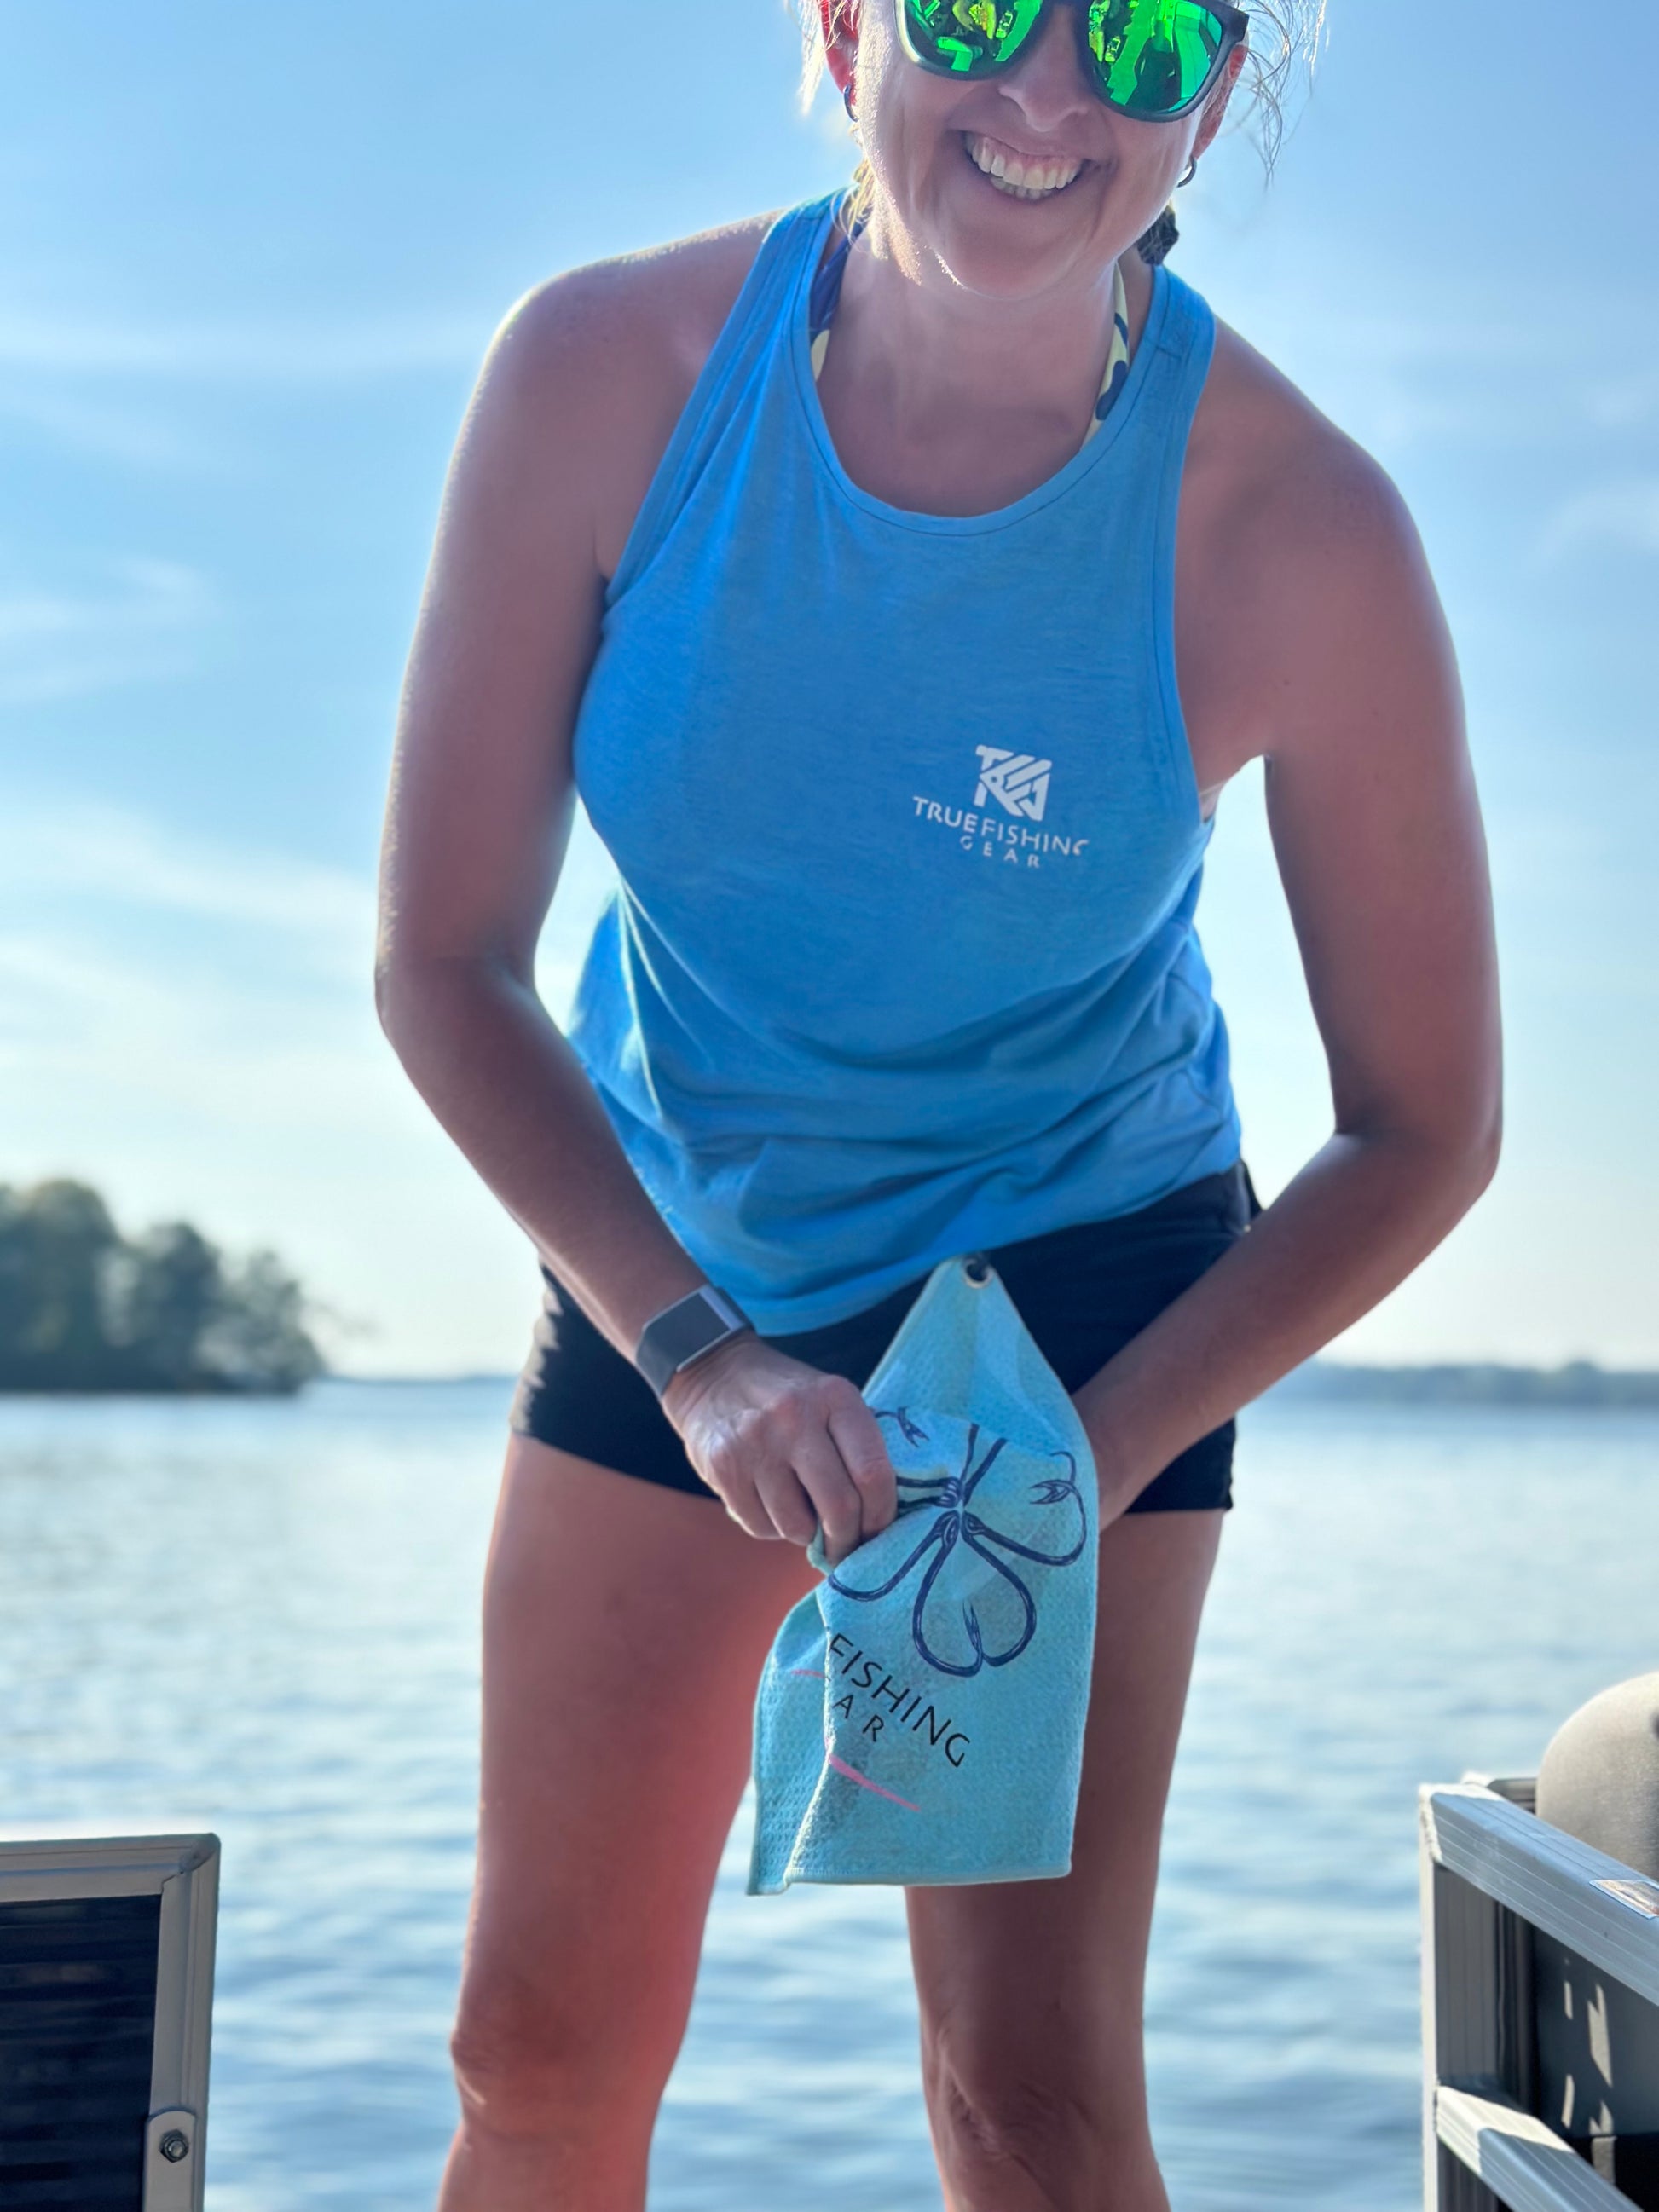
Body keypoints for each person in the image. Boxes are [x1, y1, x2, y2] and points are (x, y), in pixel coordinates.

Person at [374, 1, 1502, 2205]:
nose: (1050, 95)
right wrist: (694, 1353)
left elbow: (1421, 1126)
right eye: (978, 9)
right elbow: (441, 961)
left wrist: (1079, 1450)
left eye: (1152, 36)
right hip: (683, 1256)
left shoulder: (1297, 526)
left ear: (1222, 90)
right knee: (533, 2052)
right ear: (837, 27)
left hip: (1076, 1282)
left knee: (1028, 2099)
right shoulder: (602, 373)